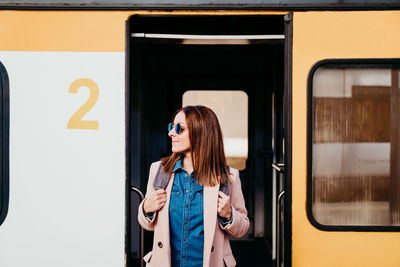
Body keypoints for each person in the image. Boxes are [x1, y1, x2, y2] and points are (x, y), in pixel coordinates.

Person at [138, 105, 249, 267]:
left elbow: (243, 227)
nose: (171, 133)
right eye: (171, 127)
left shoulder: (229, 177)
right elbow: (147, 224)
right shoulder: (159, 170)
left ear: (200, 133)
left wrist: (229, 214)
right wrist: (146, 209)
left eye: (179, 129)